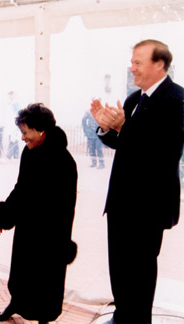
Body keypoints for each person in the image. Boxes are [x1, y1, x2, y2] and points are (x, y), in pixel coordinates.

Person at [90, 39, 184, 324]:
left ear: (159, 64)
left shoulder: (177, 100)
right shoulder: (133, 99)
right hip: (121, 201)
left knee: (140, 270)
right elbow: (123, 144)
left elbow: (165, 150)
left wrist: (123, 127)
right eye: (131, 62)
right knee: (119, 267)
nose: (131, 68)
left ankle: (138, 320)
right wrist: (105, 128)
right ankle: (123, 316)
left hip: (150, 205)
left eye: (137, 62)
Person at [0, 103, 78, 323]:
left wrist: (59, 240)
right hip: (28, 227)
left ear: (41, 131)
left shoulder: (64, 162)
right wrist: (2, 216)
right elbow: (21, 188)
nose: (22, 138)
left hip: (51, 232)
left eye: (25, 132)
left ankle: (44, 318)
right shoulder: (29, 153)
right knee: (20, 274)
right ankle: (15, 304)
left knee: (46, 280)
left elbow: (66, 208)